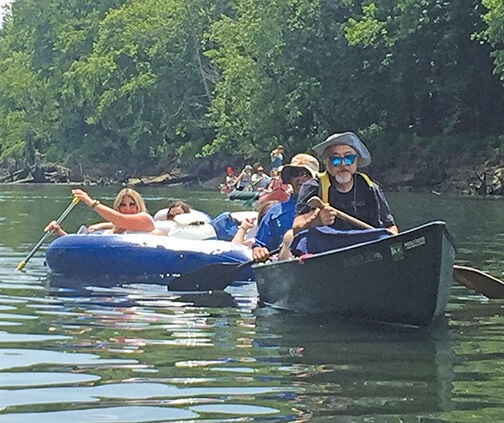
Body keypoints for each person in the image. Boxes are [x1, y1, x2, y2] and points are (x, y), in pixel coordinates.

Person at [292, 132, 398, 237]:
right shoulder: (312, 187)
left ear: (356, 161)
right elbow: (296, 228)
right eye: (336, 160)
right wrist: (316, 221)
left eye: (349, 158)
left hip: (367, 243)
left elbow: (390, 226)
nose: (343, 164)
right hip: (330, 246)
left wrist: (392, 237)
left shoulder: (370, 187)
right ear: (326, 162)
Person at [252, 153, 320, 262]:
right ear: (290, 179)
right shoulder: (275, 213)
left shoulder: (328, 207)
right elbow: (259, 245)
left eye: (305, 174)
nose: (299, 179)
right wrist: (258, 250)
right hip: (287, 267)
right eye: (295, 174)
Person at [45, 188, 158, 236]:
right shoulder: (109, 232)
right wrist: (59, 232)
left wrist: (91, 202)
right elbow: (80, 247)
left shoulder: (146, 220)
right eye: (123, 205)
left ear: (139, 206)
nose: (127, 209)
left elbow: (120, 220)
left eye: (132, 204)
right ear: (118, 208)